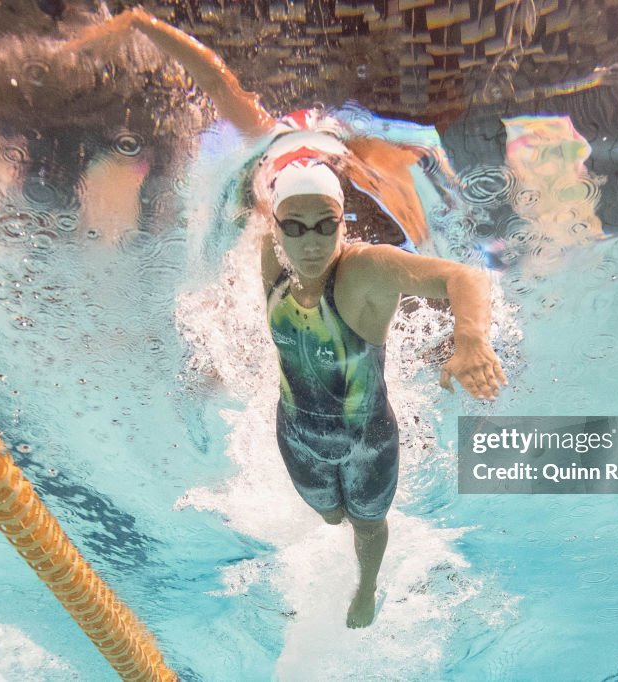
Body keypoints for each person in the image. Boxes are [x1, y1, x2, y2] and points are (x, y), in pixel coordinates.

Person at [68, 7, 507, 628]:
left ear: (342, 221)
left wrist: (469, 339)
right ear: (272, 222)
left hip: (369, 437)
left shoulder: (363, 270)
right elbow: (215, 81)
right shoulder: (266, 251)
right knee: (328, 514)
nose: (309, 243)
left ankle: (368, 584)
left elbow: (463, 277)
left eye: (324, 226)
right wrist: (141, 24)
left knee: (366, 522)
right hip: (295, 432)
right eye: (294, 227)